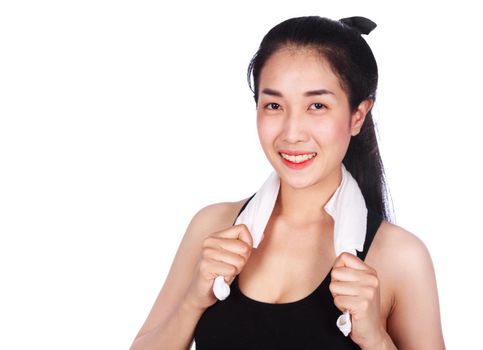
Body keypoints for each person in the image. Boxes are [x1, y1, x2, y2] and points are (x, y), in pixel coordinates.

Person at [130, 15, 445, 349]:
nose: (292, 133)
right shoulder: (212, 227)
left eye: (317, 106)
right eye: (274, 105)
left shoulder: (400, 257)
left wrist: (375, 339)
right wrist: (193, 301)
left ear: (358, 115)